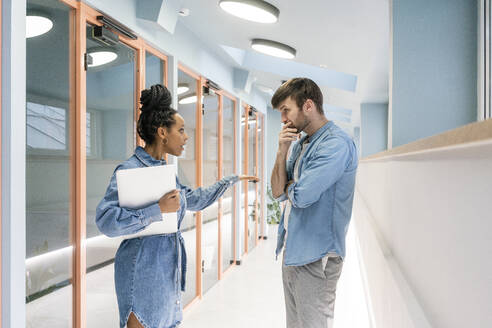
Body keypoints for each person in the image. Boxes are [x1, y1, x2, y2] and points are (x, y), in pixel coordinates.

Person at [96, 84, 257, 328]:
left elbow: (192, 199)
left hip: (167, 272)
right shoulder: (129, 170)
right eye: (181, 130)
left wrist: (230, 181)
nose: (186, 136)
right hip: (141, 272)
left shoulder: (166, 172)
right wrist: (156, 210)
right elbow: (106, 221)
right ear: (162, 132)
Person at [270, 78, 358, 328]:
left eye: (286, 110)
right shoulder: (299, 145)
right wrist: (281, 150)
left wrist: (290, 188)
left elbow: (302, 196)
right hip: (293, 248)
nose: (283, 119)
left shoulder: (335, 144)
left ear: (308, 105)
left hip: (317, 258)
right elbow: (278, 192)